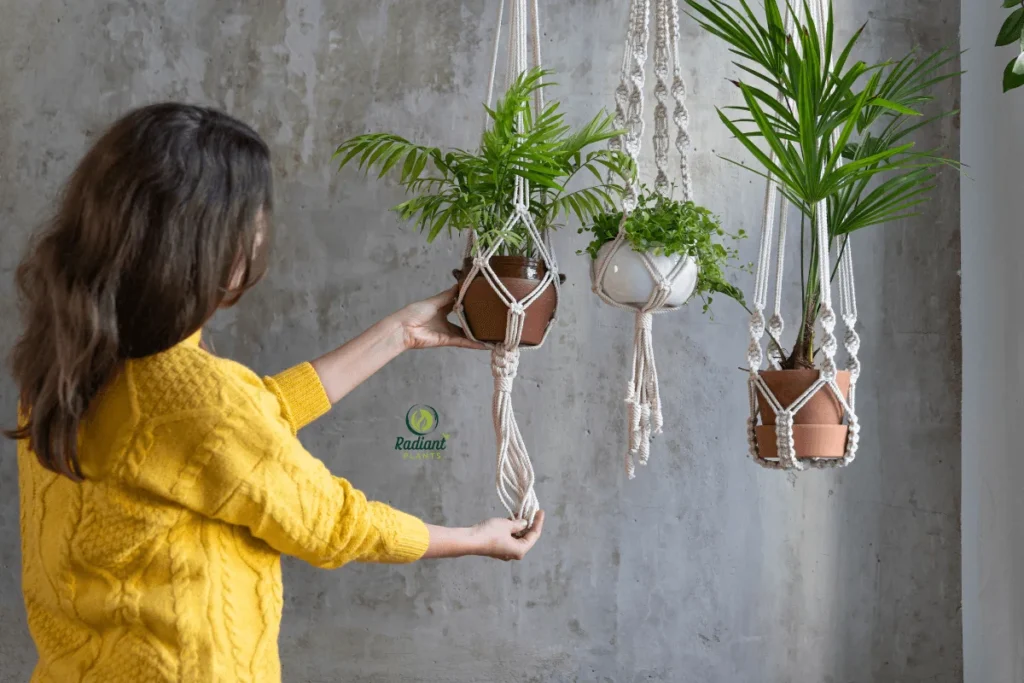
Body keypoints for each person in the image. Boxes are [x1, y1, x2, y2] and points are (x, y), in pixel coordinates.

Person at [4, 103, 544, 683]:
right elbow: (330, 521)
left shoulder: (65, 368)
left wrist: (397, 335)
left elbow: (239, 430)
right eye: (253, 216)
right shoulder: (194, 397)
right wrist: (474, 538)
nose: (262, 230)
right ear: (207, 242)